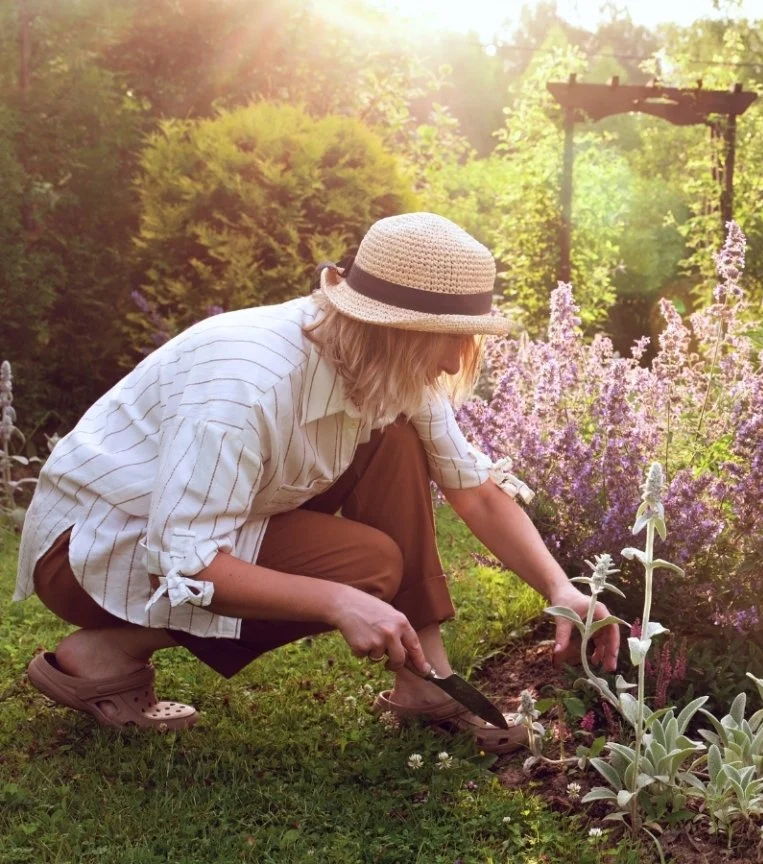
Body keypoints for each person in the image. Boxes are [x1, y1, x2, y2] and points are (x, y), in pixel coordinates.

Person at [13, 212, 619, 753]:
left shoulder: (379, 363)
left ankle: (425, 683)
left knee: (401, 442)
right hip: (93, 550)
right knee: (365, 569)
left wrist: (559, 588)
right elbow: (187, 561)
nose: (454, 362)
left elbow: (474, 490)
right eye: (448, 339)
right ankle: (110, 652)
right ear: (395, 329)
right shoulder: (248, 385)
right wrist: (337, 600)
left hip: (197, 525)